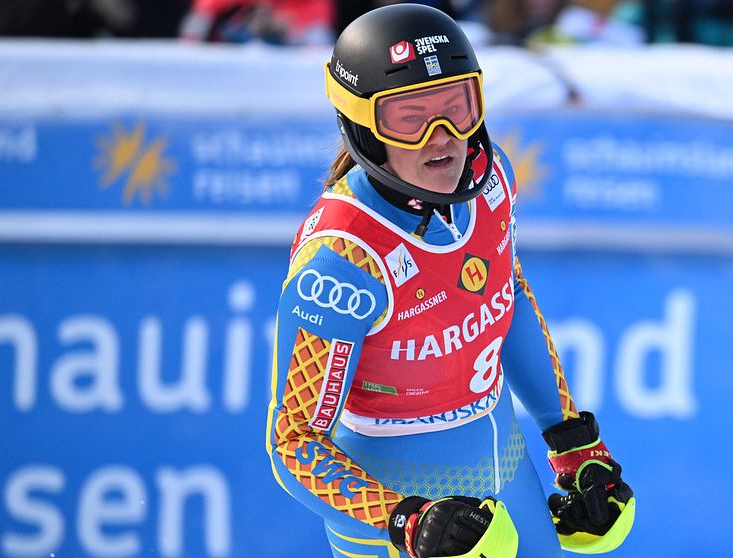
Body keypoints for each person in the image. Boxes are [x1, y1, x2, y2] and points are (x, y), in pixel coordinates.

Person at [264, 4, 635, 557]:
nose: (443, 138)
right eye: (410, 118)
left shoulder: (492, 180)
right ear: (364, 128)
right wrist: (406, 522)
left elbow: (507, 300)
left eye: (457, 108)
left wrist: (575, 443)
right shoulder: (343, 260)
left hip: (505, 469)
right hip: (399, 509)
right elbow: (294, 442)